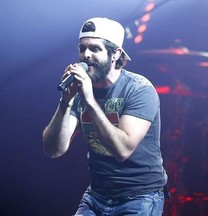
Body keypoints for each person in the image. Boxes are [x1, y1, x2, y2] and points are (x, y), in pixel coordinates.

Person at [42, 17, 168, 216]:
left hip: (138, 197)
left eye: (95, 49)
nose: (86, 55)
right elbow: (53, 149)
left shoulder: (139, 89)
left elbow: (122, 149)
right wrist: (65, 102)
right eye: (82, 48)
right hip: (97, 195)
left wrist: (90, 100)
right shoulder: (80, 91)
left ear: (115, 53)